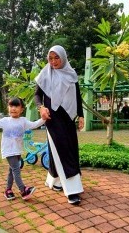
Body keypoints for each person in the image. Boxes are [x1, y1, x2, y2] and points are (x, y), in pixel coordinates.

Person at [34, 45, 84, 205]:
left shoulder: (71, 73)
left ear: (63, 57)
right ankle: (72, 190)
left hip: (68, 117)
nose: (54, 61)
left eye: (57, 58)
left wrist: (81, 115)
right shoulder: (45, 74)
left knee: (69, 148)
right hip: (52, 118)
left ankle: (55, 181)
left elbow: (77, 96)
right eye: (51, 58)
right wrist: (40, 107)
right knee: (61, 150)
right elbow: (37, 95)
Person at [0, 97, 45, 201]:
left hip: (17, 150)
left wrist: (43, 118)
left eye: (16, 106)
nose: (13, 108)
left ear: (22, 109)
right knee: (16, 169)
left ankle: (8, 190)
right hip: (8, 150)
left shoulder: (23, 121)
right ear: (8, 108)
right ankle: (23, 190)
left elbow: (34, 125)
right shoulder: (5, 121)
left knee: (12, 170)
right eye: (11, 106)